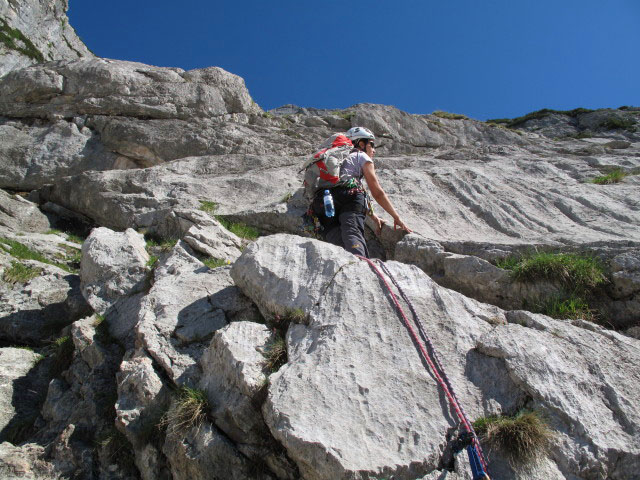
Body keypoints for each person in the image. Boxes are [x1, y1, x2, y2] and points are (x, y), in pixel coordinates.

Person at [312, 126, 411, 257]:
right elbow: (377, 192)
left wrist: (374, 217)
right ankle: (362, 265)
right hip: (349, 198)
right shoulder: (360, 155)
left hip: (323, 203)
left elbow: (346, 189)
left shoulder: (336, 160)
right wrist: (396, 217)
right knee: (352, 233)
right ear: (361, 144)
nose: (374, 150)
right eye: (372, 145)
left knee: (335, 241)